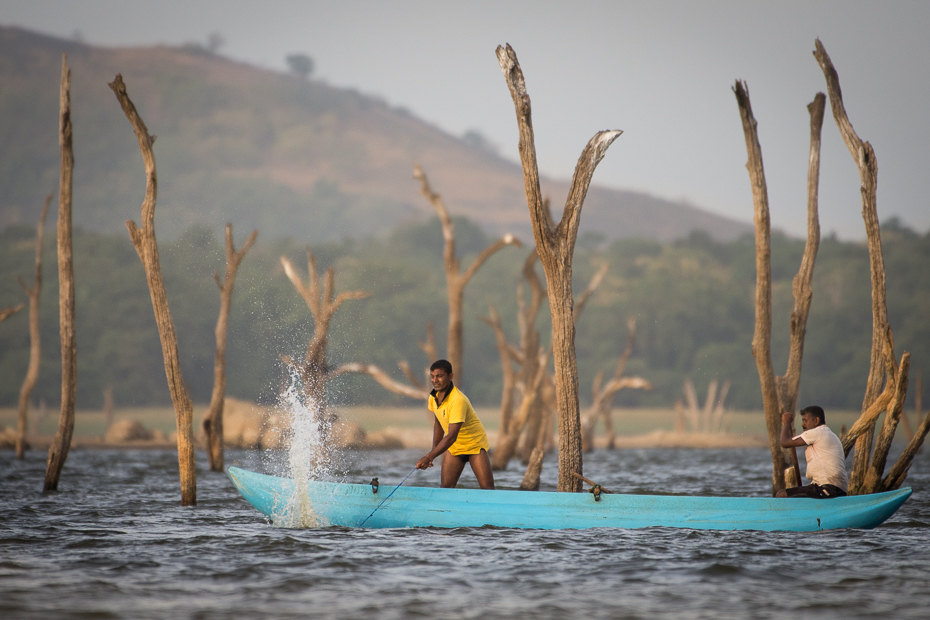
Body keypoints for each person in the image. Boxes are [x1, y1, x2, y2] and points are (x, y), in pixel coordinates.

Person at [415, 360, 495, 489]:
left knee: (488, 489)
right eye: (432, 376)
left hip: (474, 445)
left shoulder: (457, 400)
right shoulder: (433, 397)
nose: (435, 380)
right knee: (446, 488)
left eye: (439, 376)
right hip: (455, 448)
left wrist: (428, 456)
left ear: (450, 376)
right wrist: (433, 453)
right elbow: (439, 424)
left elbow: (452, 436)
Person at [776, 405, 848, 498]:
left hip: (827, 488)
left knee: (781, 495)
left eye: (805, 420)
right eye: (802, 421)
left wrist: (787, 423)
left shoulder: (817, 432)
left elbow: (784, 442)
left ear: (816, 421)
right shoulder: (830, 434)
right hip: (838, 489)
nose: (802, 424)